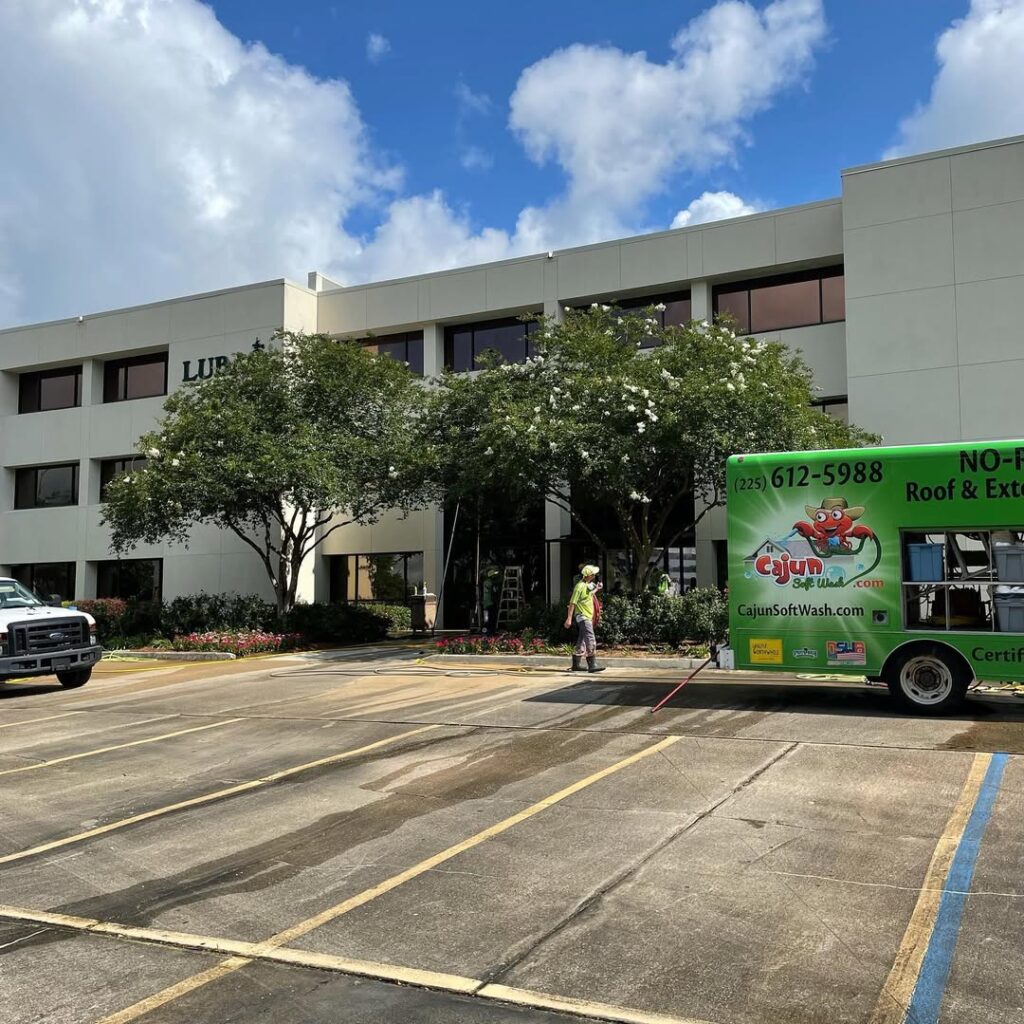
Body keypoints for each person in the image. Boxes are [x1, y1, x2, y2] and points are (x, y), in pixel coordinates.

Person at [564, 564, 605, 673]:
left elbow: (588, 595)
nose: (595, 576)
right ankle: (592, 664)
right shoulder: (579, 587)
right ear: (590, 575)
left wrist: (597, 589)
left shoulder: (586, 585)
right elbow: (572, 603)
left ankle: (576, 664)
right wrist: (569, 619)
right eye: (593, 574)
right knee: (590, 638)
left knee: (582, 639)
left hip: (586, 616)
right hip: (583, 616)